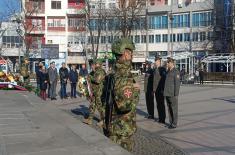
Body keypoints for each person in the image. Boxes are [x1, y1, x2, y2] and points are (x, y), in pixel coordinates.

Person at [107, 38, 140, 151]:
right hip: (122, 130)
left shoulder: (113, 73)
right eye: (130, 52)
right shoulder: (123, 76)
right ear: (125, 54)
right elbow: (125, 106)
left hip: (116, 127)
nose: (132, 55)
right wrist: (135, 90)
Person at [83, 59, 106, 127]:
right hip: (94, 92)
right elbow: (91, 81)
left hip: (99, 92)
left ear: (99, 64)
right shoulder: (95, 71)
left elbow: (97, 80)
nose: (94, 65)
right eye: (94, 64)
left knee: (100, 107)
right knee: (92, 105)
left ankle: (103, 120)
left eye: (95, 64)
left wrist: (90, 77)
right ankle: (90, 119)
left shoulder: (101, 71)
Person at [164, 57, 180, 129]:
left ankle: (174, 123)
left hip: (172, 94)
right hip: (167, 93)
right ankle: (171, 122)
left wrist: (176, 94)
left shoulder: (176, 72)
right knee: (169, 108)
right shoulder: (168, 71)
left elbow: (177, 84)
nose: (167, 64)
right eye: (167, 62)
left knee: (174, 109)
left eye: (168, 62)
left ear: (171, 63)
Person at [153, 56, 166, 124]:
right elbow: (154, 81)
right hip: (156, 90)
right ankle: (160, 118)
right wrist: (153, 89)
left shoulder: (162, 69)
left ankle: (163, 118)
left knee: (161, 104)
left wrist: (162, 89)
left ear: (159, 62)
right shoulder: (155, 69)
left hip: (160, 89)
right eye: (155, 61)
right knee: (158, 104)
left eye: (157, 61)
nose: (156, 62)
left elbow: (163, 80)